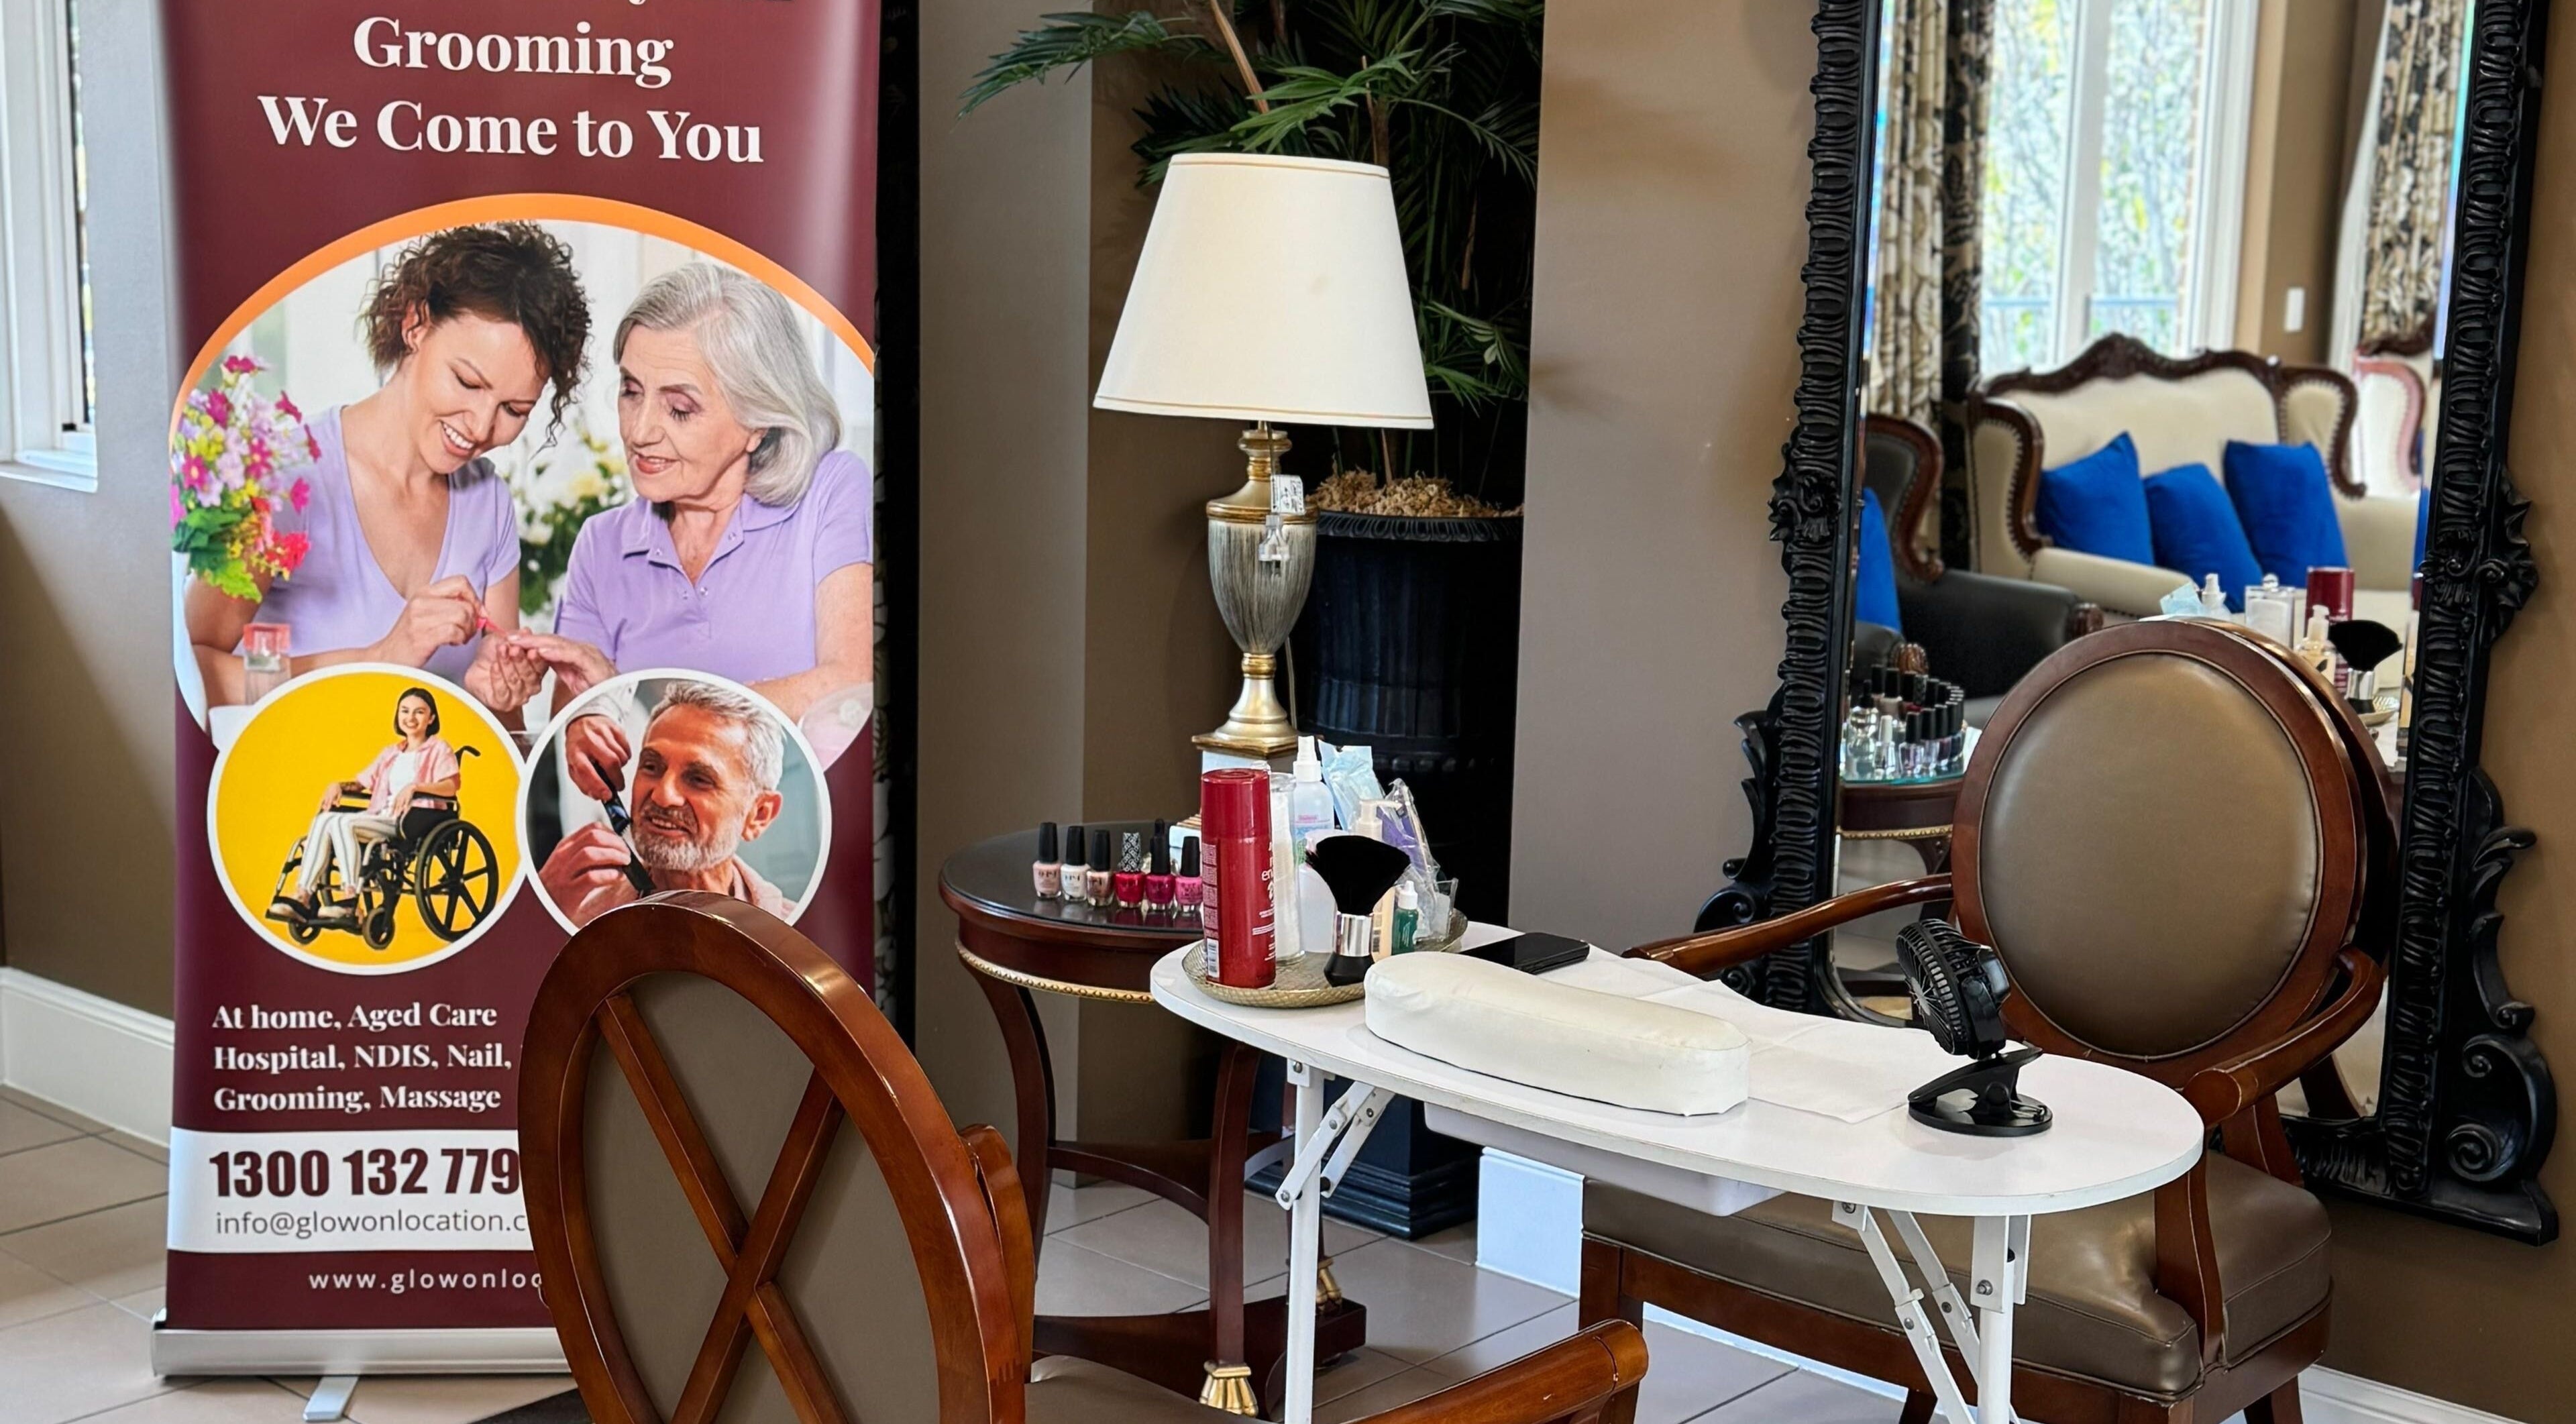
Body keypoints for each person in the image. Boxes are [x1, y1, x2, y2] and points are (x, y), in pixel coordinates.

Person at [187, 223, 591, 715]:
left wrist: (494, 696)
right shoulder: (284, 481)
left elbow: (499, 730)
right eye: (467, 381)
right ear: (415, 324)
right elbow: (197, 671)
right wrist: (377, 660)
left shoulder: (487, 501)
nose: (483, 426)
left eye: (514, 410)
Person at [500, 264, 871, 755]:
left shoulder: (831, 491)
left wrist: (642, 706)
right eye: (631, 391)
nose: (639, 430)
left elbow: (851, 690)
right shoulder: (601, 544)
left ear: (758, 422)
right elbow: (578, 761)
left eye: (679, 408)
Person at [537, 679, 794, 927]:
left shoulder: (797, 935)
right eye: (651, 766)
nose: (662, 796)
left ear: (759, 814)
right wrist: (539, 911)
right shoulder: (580, 922)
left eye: (699, 779)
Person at [272, 688, 459, 928]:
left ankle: (350, 899)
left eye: (419, 712)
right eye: (405, 711)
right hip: (380, 816)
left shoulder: (439, 748)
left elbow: (450, 787)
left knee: (343, 822)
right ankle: (303, 895)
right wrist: (337, 785)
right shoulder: (391, 753)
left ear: (431, 718)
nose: (410, 718)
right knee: (324, 819)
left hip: (412, 820)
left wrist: (415, 787)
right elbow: (362, 783)